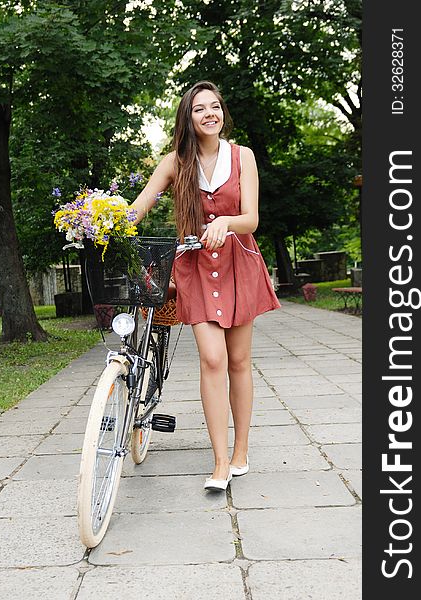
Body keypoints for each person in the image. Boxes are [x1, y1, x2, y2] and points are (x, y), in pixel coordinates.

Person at [130, 81, 281, 491]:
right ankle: (218, 461)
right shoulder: (175, 162)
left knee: (238, 361)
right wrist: (102, 222)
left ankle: (240, 452)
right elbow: (140, 206)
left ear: (222, 113)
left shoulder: (242, 156)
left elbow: (250, 220)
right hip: (195, 269)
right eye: (200, 109)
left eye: (215, 106)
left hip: (238, 265)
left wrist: (225, 222)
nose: (209, 114)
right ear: (188, 117)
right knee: (212, 359)